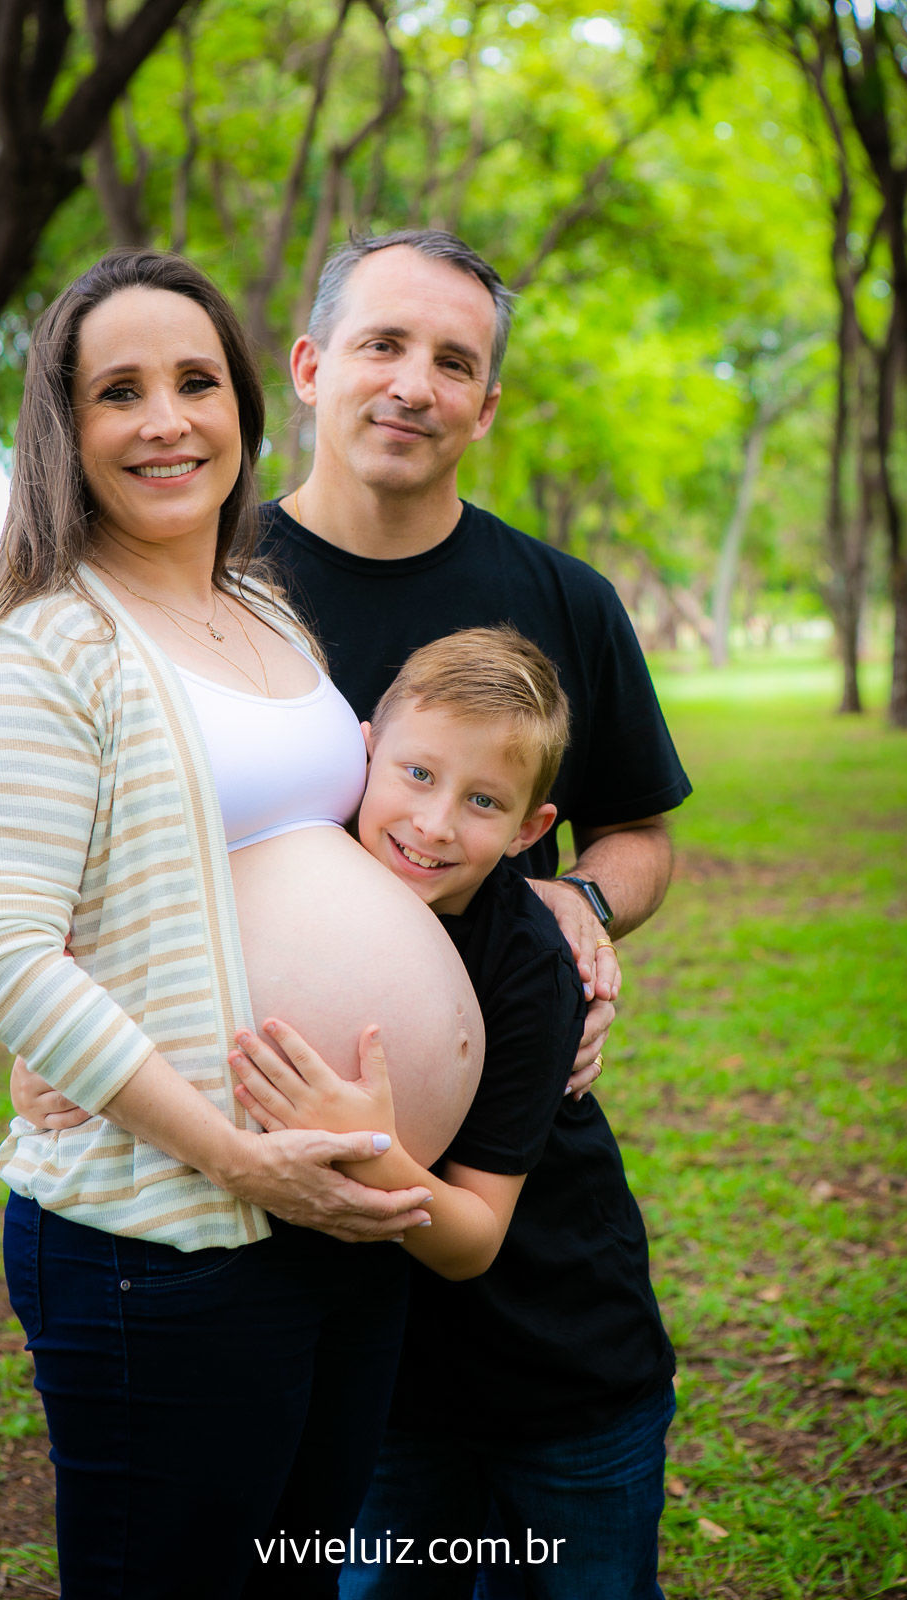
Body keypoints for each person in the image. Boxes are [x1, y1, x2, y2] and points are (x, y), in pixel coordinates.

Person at [0, 247, 498, 1600]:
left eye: (195, 382)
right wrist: (237, 1155)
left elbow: (306, 854)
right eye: (120, 391)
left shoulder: (264, 610)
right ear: (63, 431)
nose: (166, 419)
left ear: (241, 406)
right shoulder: (40, 648)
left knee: (294, 1573)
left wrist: (563, 916)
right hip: (169, 1232)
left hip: (342, 1213)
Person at [251, 229, 690, 1598]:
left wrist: (574, 907)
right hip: (281, 1239)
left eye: (455, 361)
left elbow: (641, 835)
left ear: (486, 406)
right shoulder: (209, 595)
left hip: (531, 1225)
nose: (414, 383)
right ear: (313, 366)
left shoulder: (564, 599)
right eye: (383, 344)